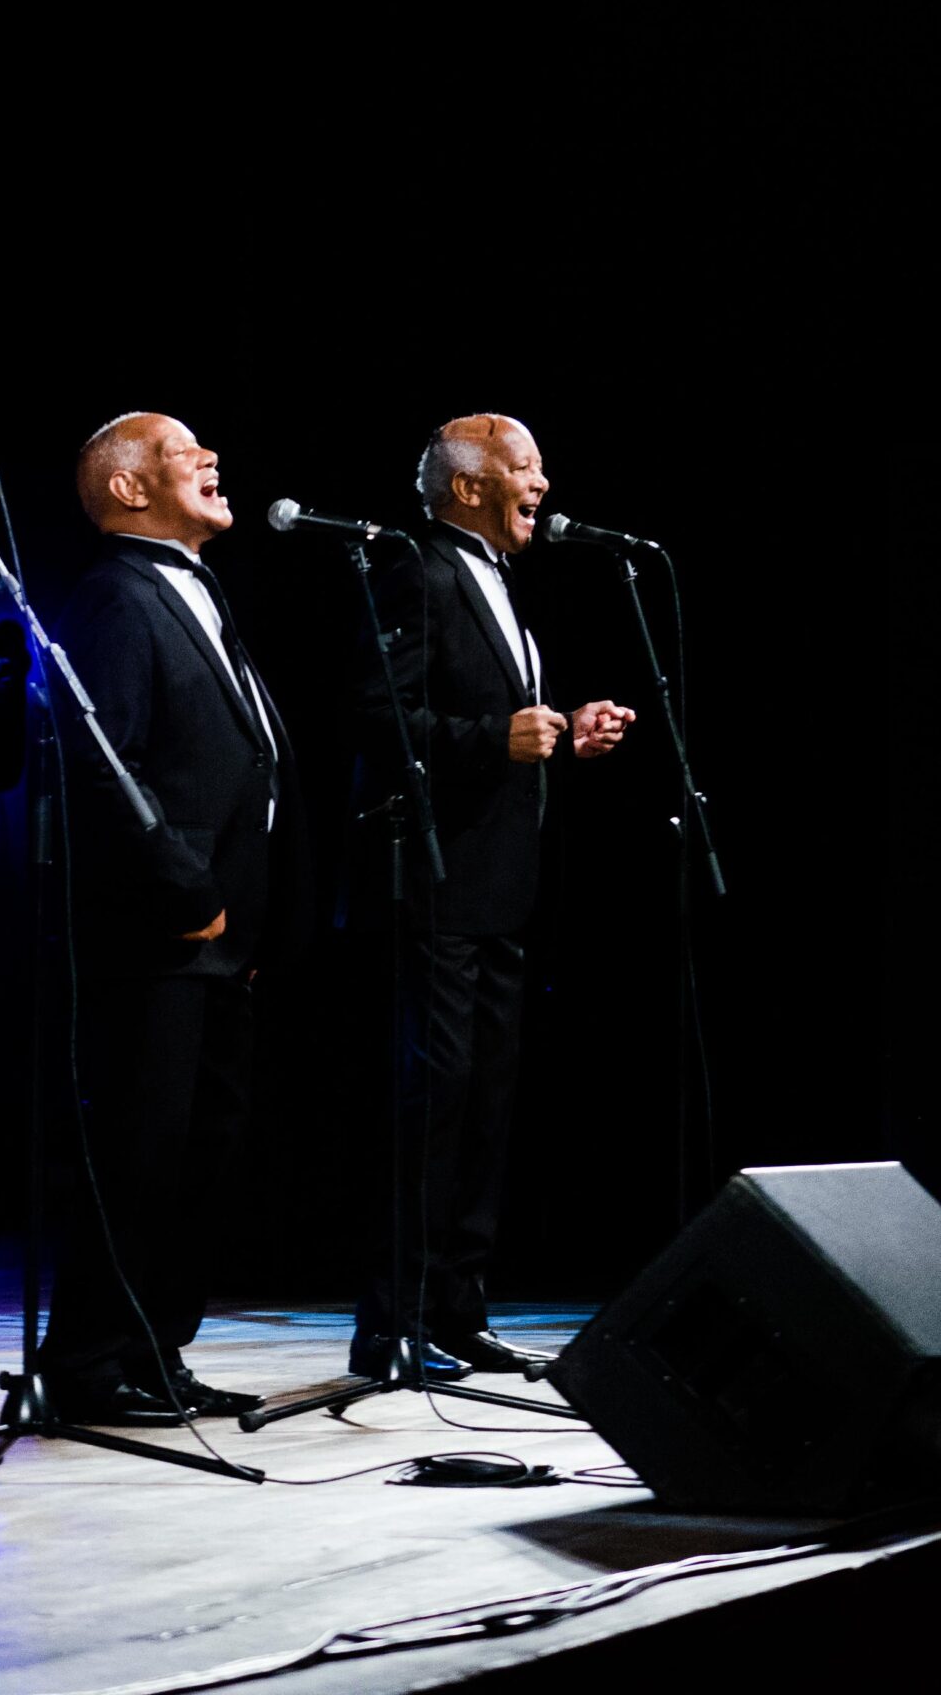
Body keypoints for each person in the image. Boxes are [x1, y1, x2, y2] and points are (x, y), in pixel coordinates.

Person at [38, 412, 308, 1426]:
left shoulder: (197, 592)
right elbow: (109, 774)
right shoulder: (115, 598)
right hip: (158, 938)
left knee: (200, 1157)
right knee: (139, 1156)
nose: (209, 457)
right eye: (181, 452)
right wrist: (186, 898)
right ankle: (93, 1363)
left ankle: (155, 1351)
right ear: (124, 489)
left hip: (222, 943)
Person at [350, 413, 632, 1376]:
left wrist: (564, 731)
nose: (543, 483)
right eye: (526, 467)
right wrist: (492, 739)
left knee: (486, 1105)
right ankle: (395, 1323)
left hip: (500, 889)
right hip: (435, 889)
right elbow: (379, 716)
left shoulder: (499, 580)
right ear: (469, 486)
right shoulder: (416, 569)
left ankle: (459, 1310)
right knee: (433, 1105)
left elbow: (494, 717)